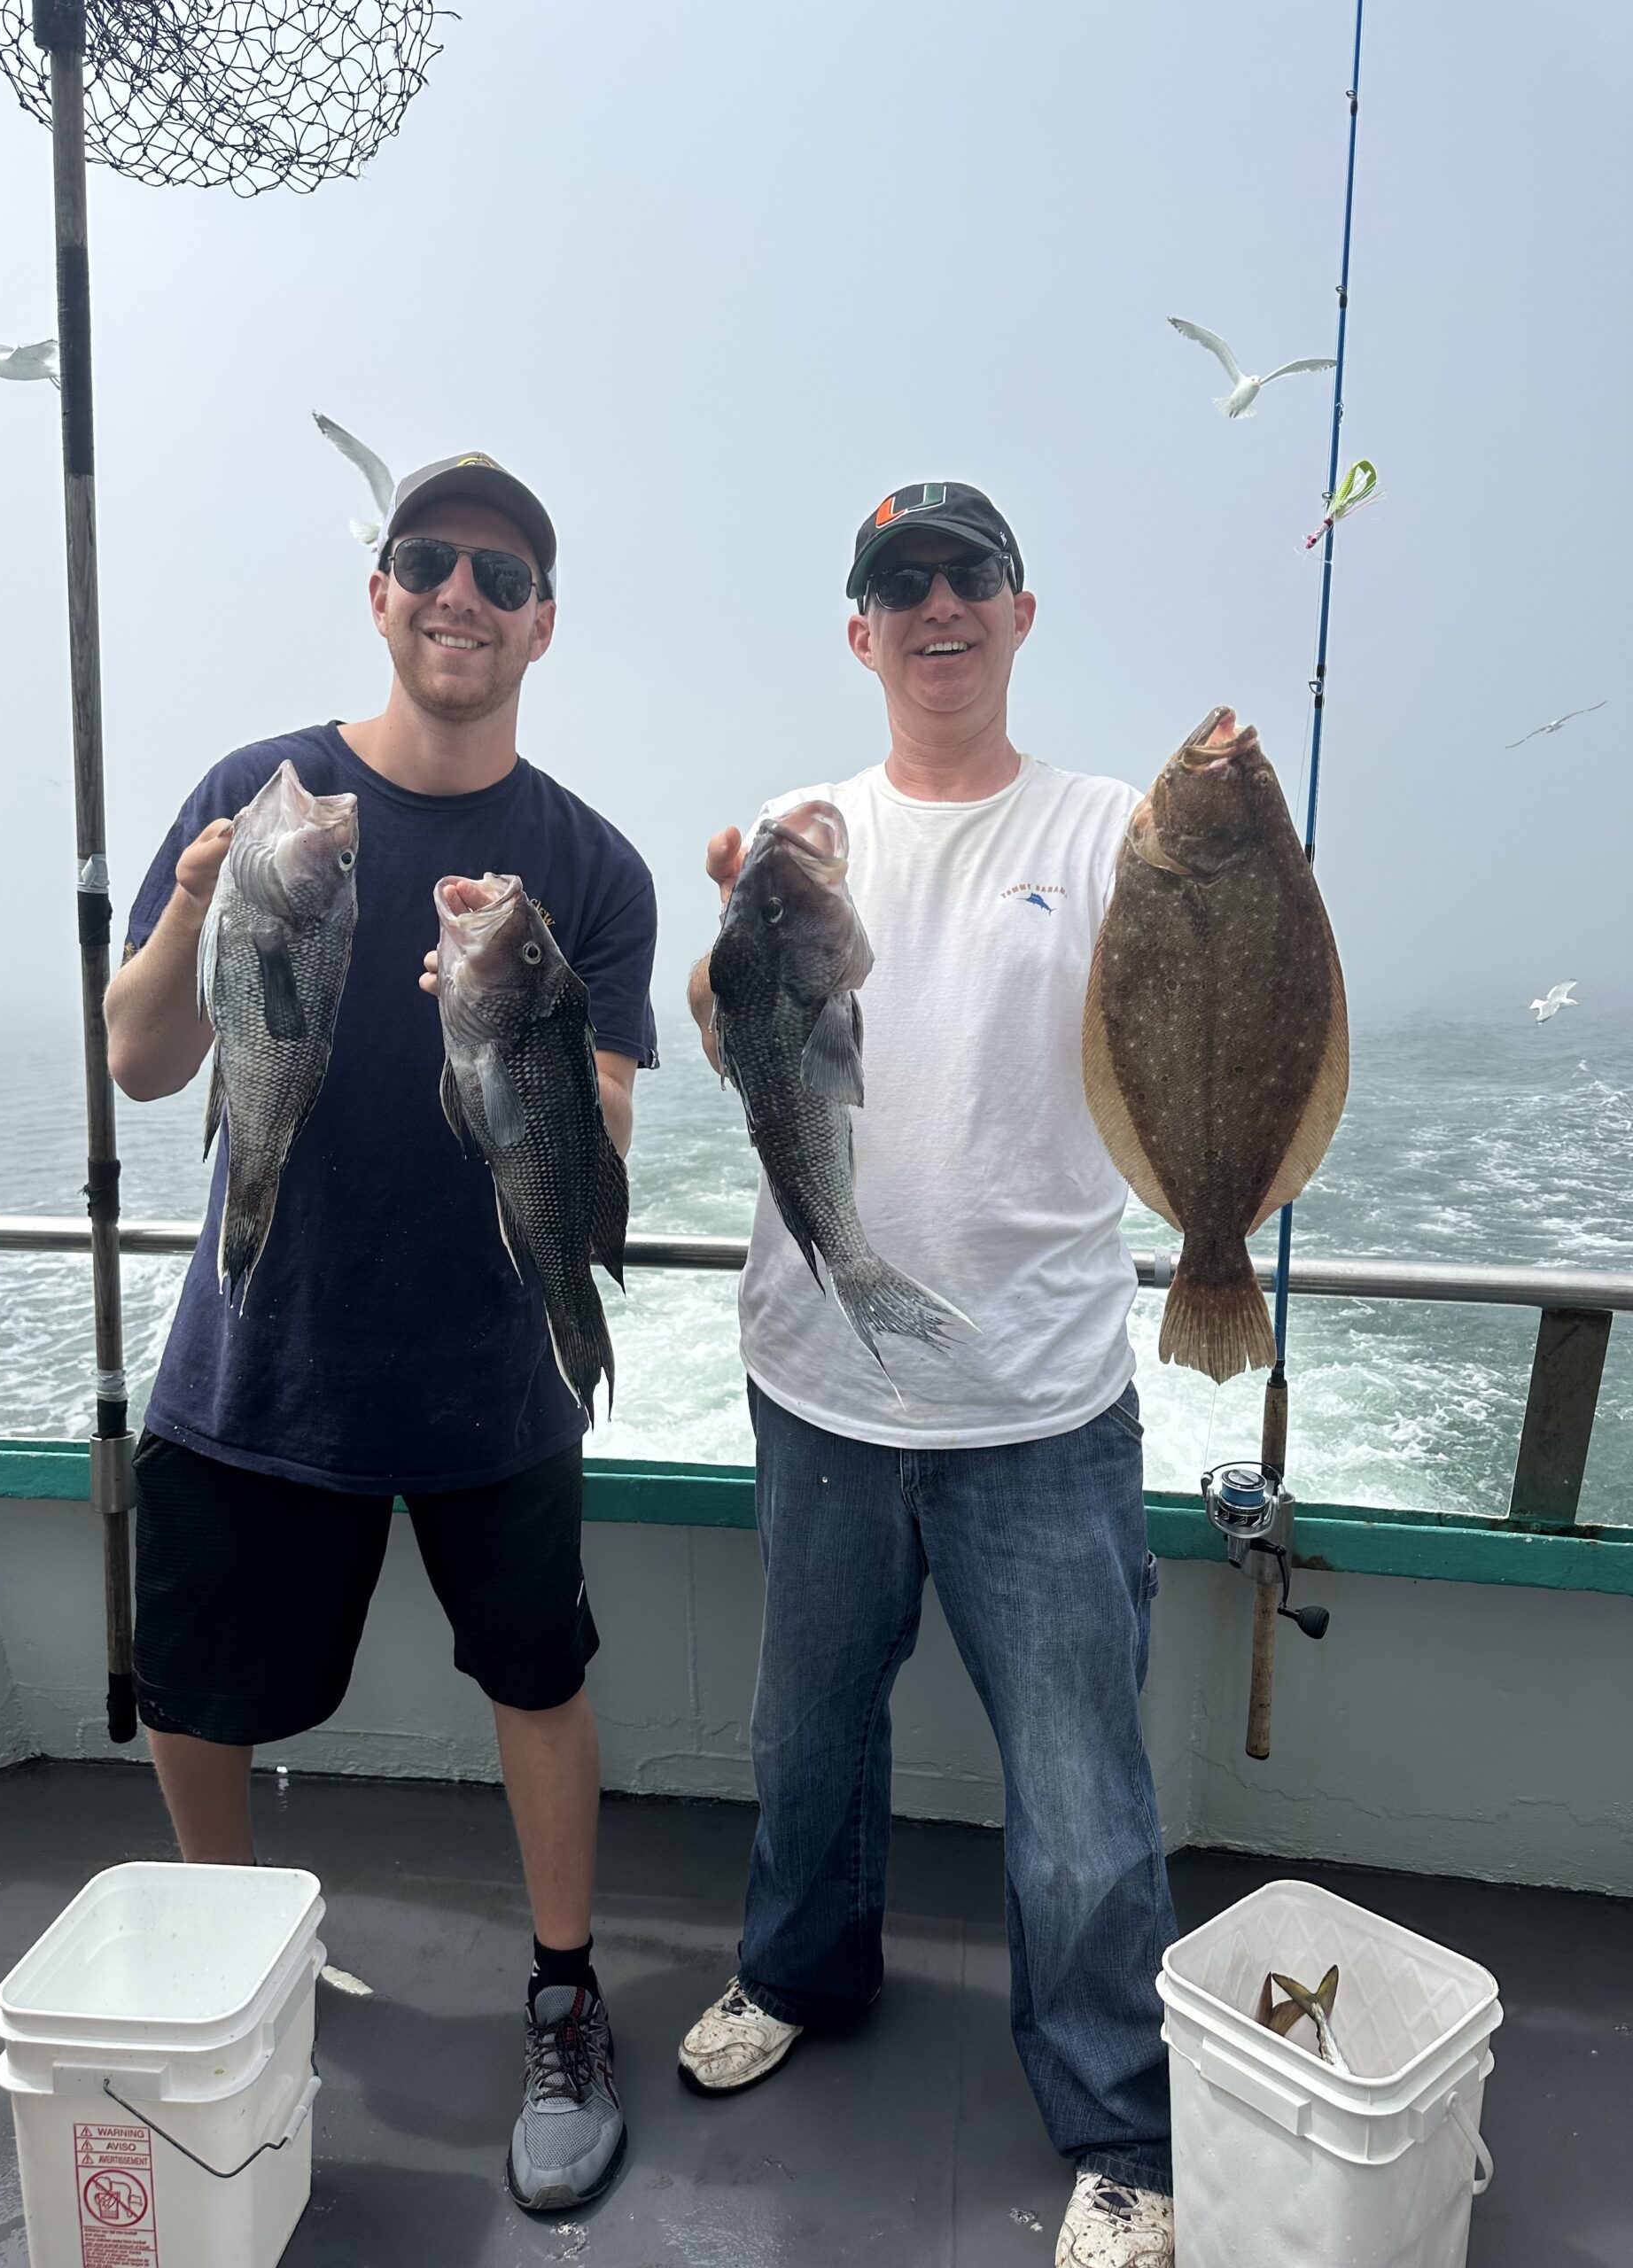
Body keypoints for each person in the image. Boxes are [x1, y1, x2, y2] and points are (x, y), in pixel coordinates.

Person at [105, 453, 656, 2215]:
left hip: (492, 1371)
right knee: (198, 1691)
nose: (460, 596)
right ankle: (232, 1958)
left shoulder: (592, 865)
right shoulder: (259, 797)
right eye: (429, 560)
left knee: (538, 1678)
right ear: (381, 591)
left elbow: (605, 1133)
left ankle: (563, 1997)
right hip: (260, 1349)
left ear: (543, 624)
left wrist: (519, 1023)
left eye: (502, 576)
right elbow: (142, 1061)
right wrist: (193, 904)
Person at [681, 482, 1178, 2267]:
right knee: (806, 1732)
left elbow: (1200, 994)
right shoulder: (804, 832)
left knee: (1082, 1793)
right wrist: (724, 954)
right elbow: (729, 1032)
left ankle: (1122, 2124)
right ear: (862, 630)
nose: (938, 603)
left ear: (1022, 612)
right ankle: (797, 1968)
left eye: (970, 574)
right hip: (819, 1377)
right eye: (902, 582)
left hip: (1041, 1398)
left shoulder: (1114, 829)